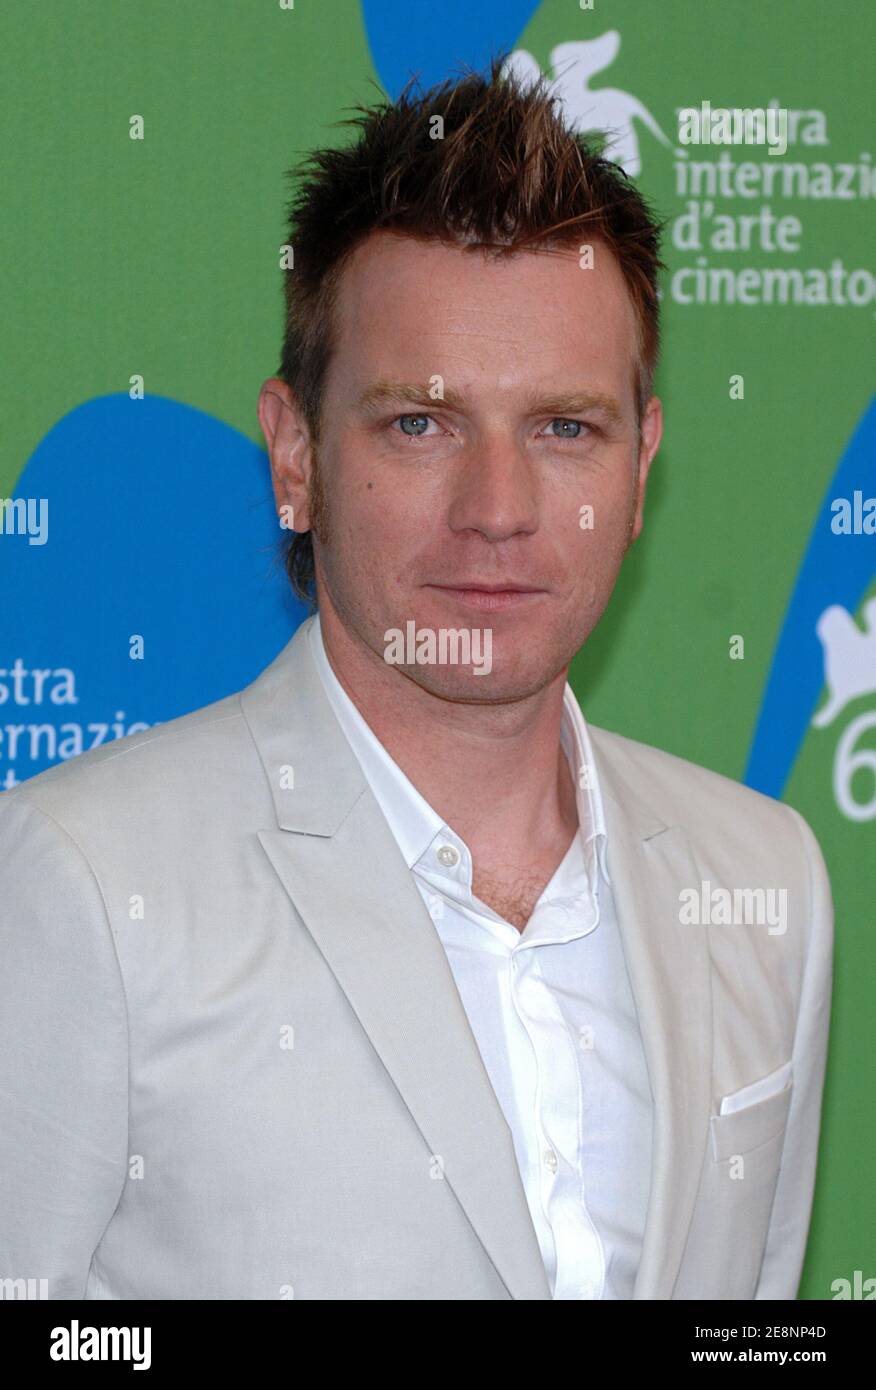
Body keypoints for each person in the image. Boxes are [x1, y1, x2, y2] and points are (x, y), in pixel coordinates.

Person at [0, 59, 832, 1301]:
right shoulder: (80, 886)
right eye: (419, 425)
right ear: (295, 454)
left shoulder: (766, 882)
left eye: (564, 428)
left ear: (642, 462)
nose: (498, 511)